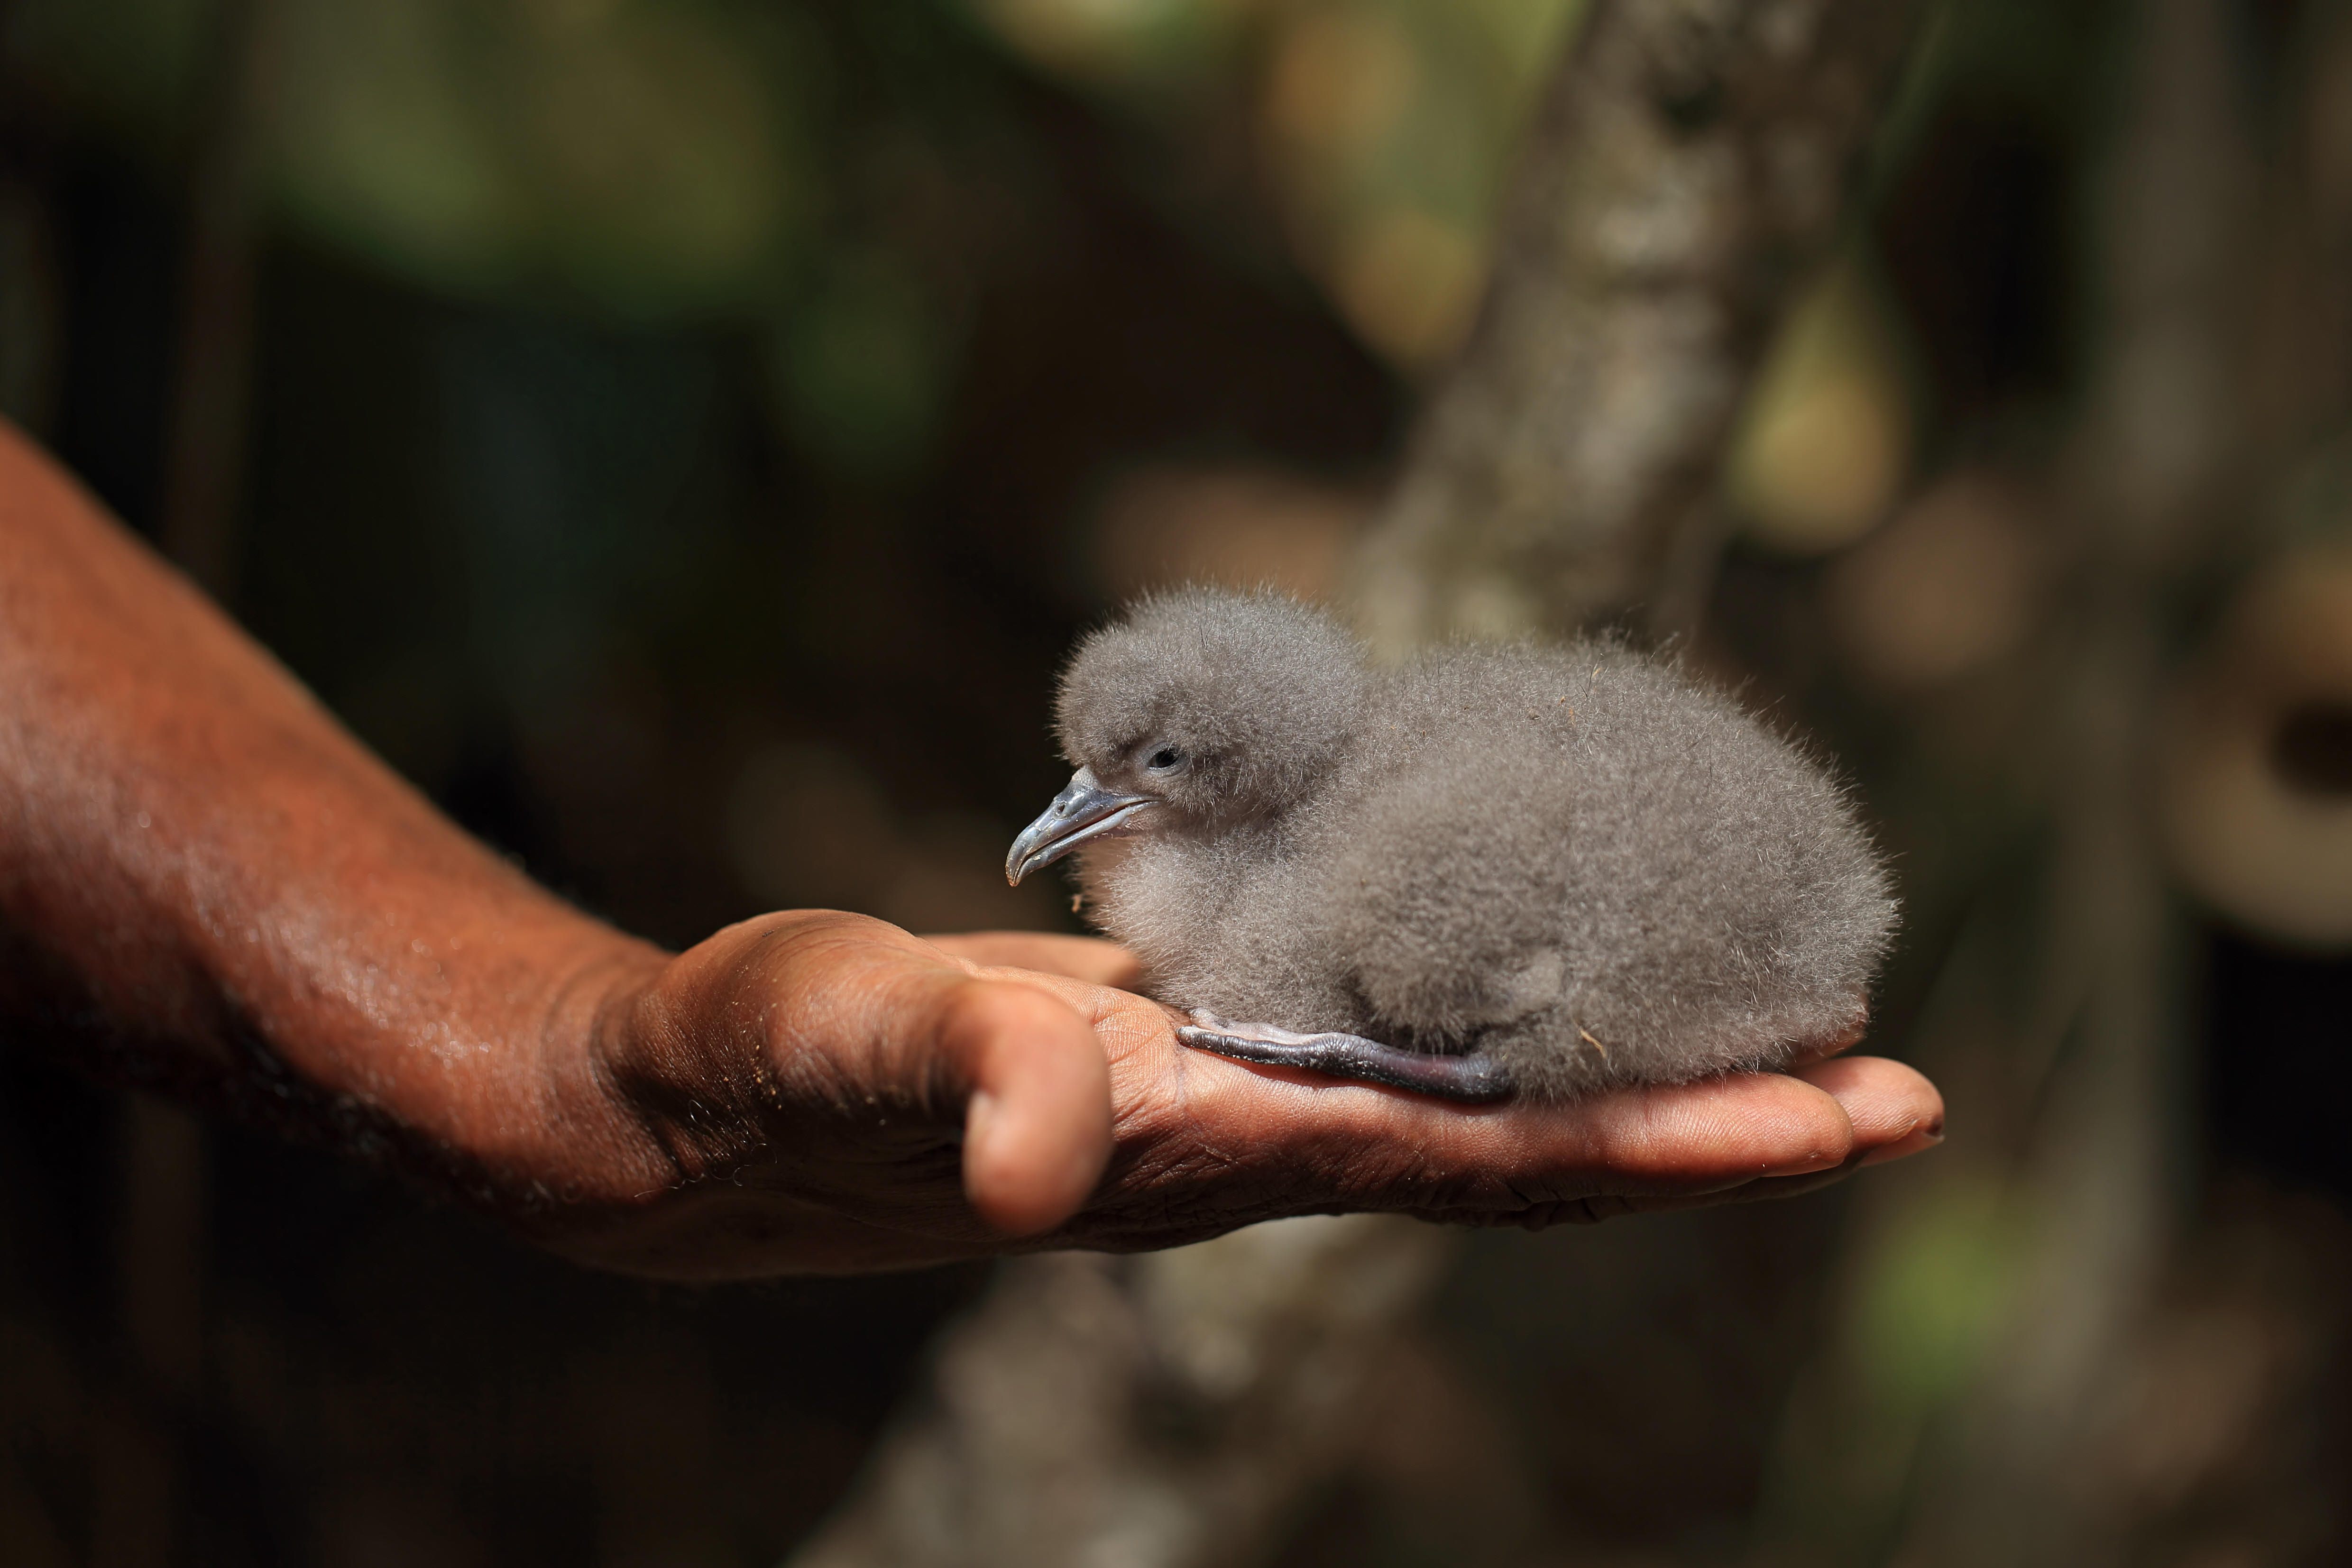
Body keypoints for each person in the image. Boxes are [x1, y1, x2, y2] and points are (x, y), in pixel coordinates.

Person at [0, 421, 1942, 1277]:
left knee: (1418, 934)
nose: (1074, 814)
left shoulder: (1363, 860)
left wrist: (550, 1034)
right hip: (1703, 927)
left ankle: (1447, 1045)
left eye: (1139, 768)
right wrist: (543, 1045)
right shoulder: (1373, 780)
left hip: (1608, 940)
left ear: (1241, 765)